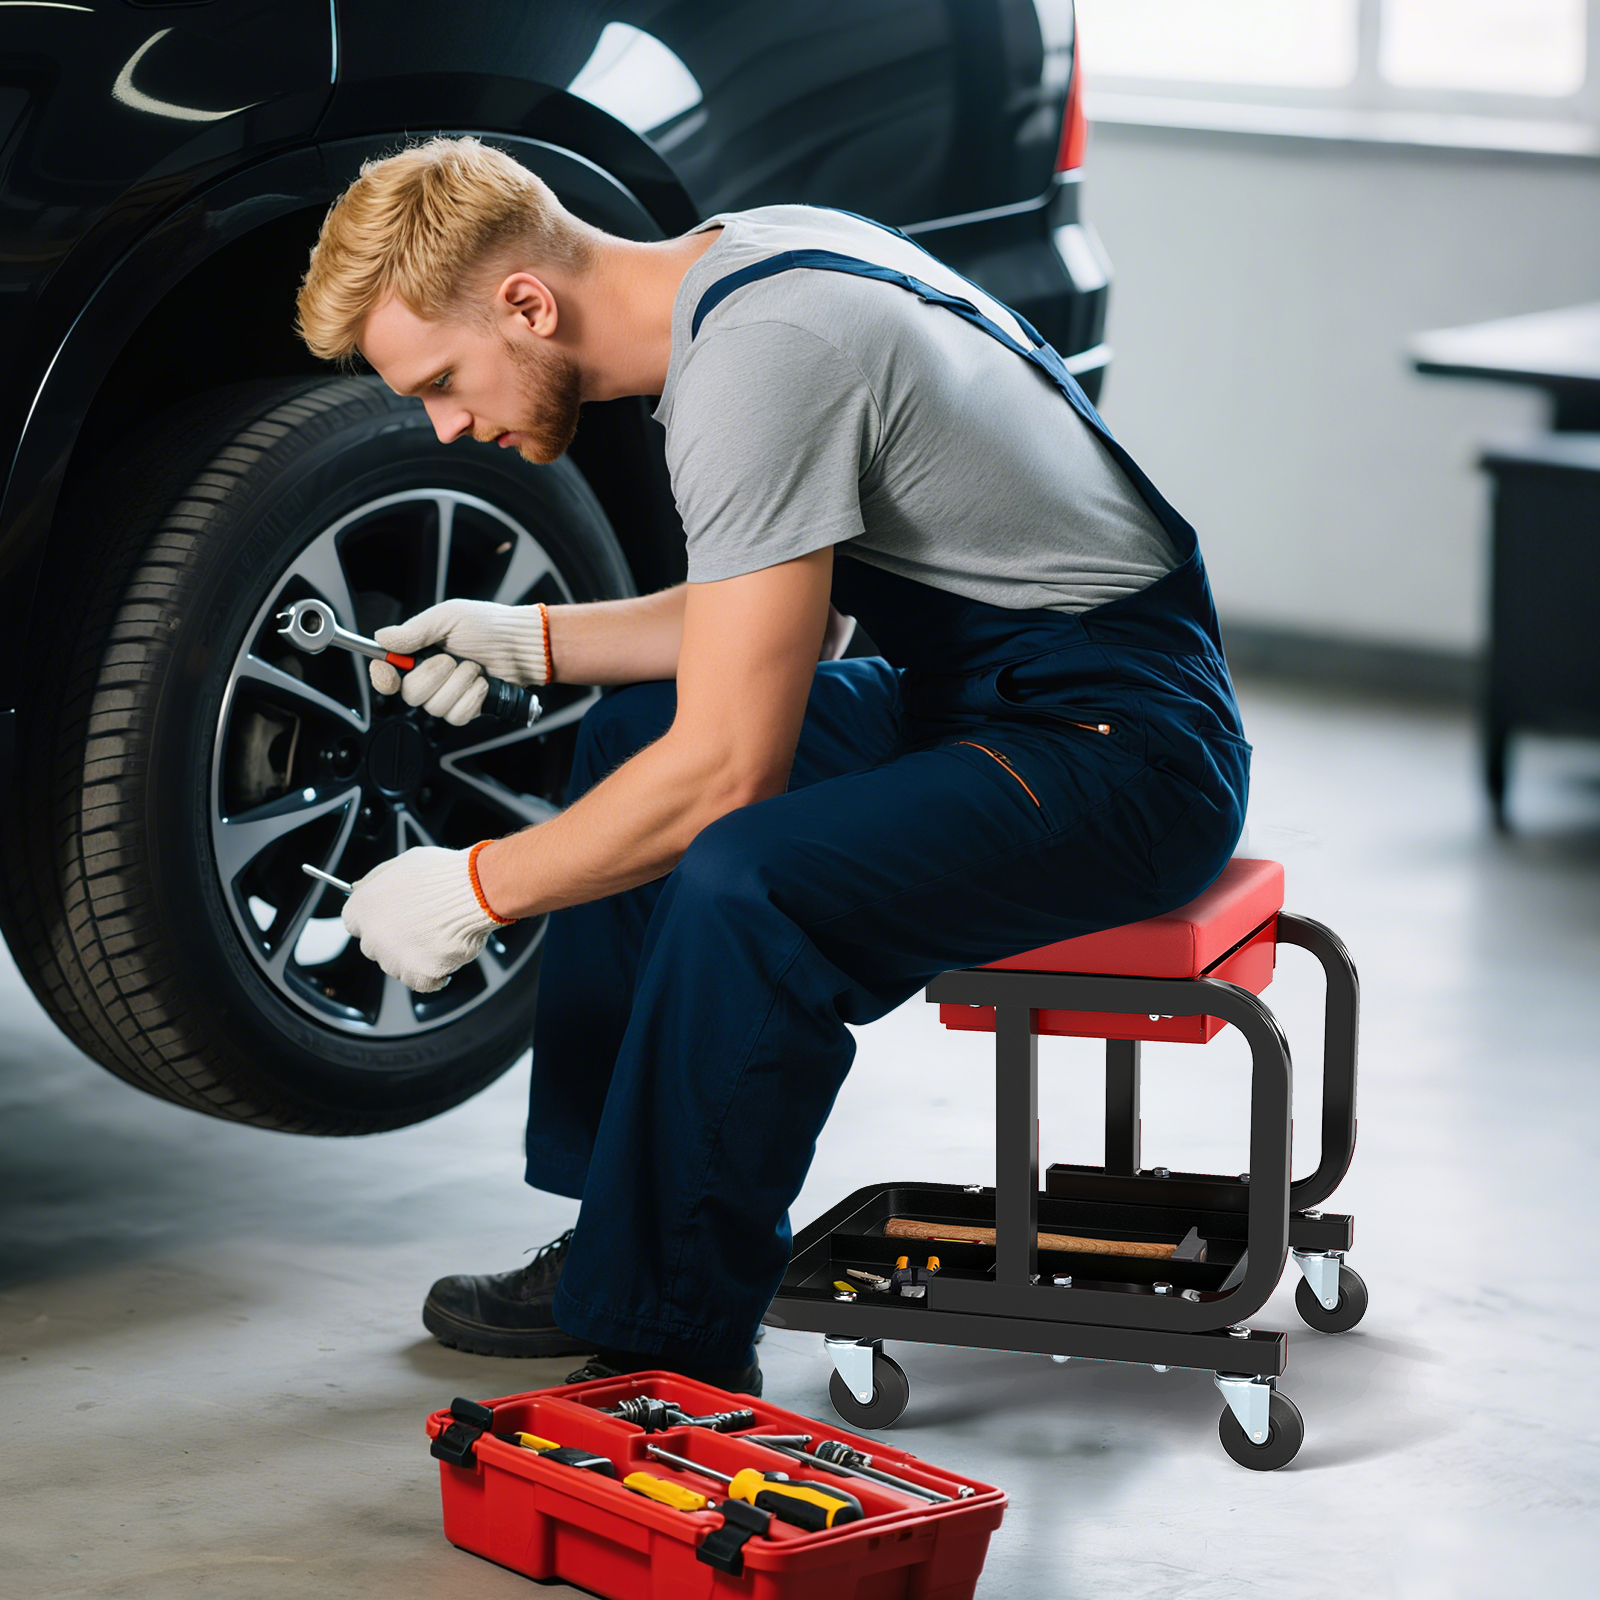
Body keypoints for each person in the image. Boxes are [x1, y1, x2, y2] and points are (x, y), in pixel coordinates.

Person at [293, 138, 1248, 1395]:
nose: (449, 424)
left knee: (748, 871)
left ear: (526, 302)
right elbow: (783, 616)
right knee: (633, 733)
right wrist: (529, 638)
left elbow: (729, 771)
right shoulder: (740, 270)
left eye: (443, 379)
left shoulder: (758, 362)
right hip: (976, 696)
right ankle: (619, 1242)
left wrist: (479, 887)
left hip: (1122, 751)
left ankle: (670, 1332)